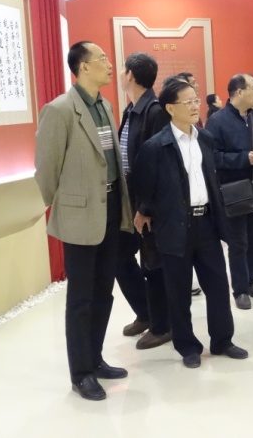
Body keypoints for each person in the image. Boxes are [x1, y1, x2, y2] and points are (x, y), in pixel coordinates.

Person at [35, 41, 132, 401]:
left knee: (103, 291)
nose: (110, 64)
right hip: (79, 215)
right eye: (102, 59)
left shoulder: (105, 106)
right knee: (81, 297)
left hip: (110, 206)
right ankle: (81, 373)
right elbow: (46, 169)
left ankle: (95, 358)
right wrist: (62, 205)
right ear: (83, 67)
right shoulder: (59, 110)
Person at [132, 77, 248, 369]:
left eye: (196, 100)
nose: (196, 106)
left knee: (217, 286)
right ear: (171, 108)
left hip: (206, 223)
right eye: (188, 102)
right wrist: (146, 211)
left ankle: (222, 340)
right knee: (178, 291)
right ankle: (187, 346)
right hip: (174, 227)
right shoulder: (155, 146)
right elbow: (144, 186)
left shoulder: (205, 139)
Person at [116, 52, 171, 350]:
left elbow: (158, 164)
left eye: (122, 69)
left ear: (131, 76)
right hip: (130, 199)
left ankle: (163, 325)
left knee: (153, 264)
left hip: (148, 204)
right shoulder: (131, 109)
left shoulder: (154, 111)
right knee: (121, 258)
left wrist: (146, 208)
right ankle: (146, 312)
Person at [206, 74, 253, 310]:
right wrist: (242, 159)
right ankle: (240, 289)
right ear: (239, 92)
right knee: (238, 242)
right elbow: (212, 157)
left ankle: (252, 280)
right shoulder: (217, 121)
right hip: (234, 190)